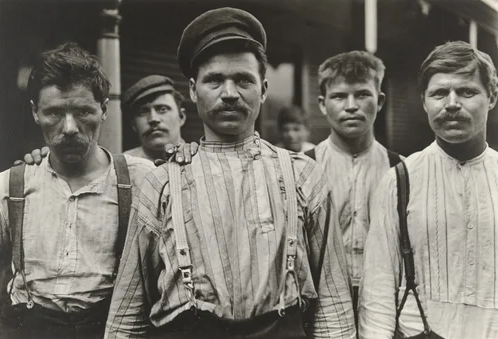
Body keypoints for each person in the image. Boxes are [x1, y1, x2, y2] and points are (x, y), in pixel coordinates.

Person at [105, 7, 355, 339]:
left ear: (263, 90)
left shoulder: (302, 175)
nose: (229, 93)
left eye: (242, 80)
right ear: (194, 90)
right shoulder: (162, 182)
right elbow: (128, 311)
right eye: (215, 80)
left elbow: (334, 301)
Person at [0, 42, 155, 339]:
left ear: (104, 109)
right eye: (55, 113)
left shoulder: (141, 179)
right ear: (35, 113)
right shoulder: (10, 186)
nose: (69, 127)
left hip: (109, 330)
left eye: (83, 112)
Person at [359, 41, 498, 338]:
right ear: (424, 101)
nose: (451, 103)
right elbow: (378, 290)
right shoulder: (400, 180)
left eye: (466, 91)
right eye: (438, 93)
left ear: (492, 97)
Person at [304, 51, 402, 321]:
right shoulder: (301, 168)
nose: (351, 106)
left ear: (379, 101)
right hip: (321, 306)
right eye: (339, 96)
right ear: (323, 104)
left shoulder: (401, 169)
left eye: (362, 94)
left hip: (385, 304)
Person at [122, 75, 188, 162]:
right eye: (143, 112)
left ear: (181, 117)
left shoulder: (201, 161)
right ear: (134, 125)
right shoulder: (123, 166)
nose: (153, 119)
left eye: (162, 109)